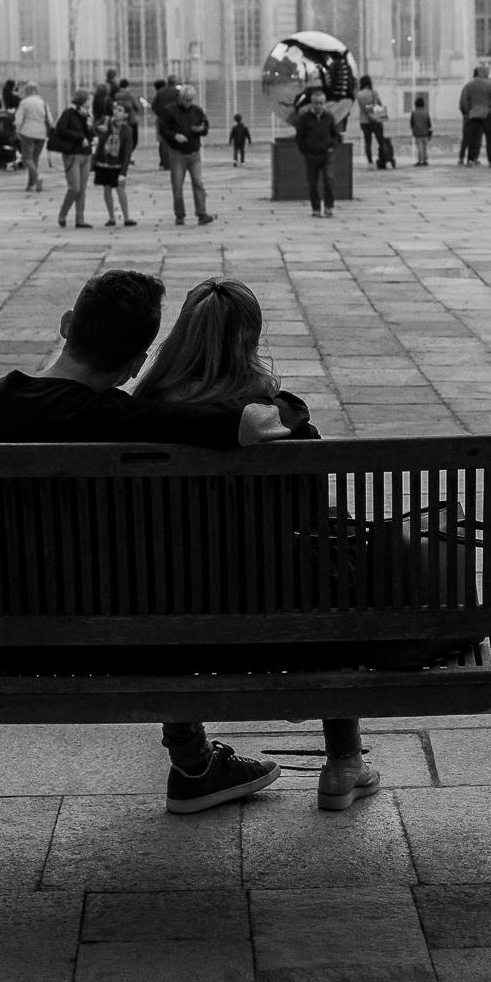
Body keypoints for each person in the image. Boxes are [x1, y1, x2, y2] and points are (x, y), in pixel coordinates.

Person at [0, 271, 306, 816]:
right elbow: (246, 420)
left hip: (3, 640)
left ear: (69, 325)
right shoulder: (114, 419)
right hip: (120, 639)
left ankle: (196, 763)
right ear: (137, 361)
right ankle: (198, 762)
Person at [130, 277, 381, 812]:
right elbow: (308, 513)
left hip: (166, 629)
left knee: (168, 573)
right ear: (249, 339)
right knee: (329, 551)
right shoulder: (273, 418)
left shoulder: (141, 413)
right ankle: (342, 762)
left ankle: (190, 759)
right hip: (279, 625)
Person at [160, 84, 215, 226]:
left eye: (191, 100)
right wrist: (174, 136)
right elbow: (163, 129)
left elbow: (205, 126)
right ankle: (180, 215)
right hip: (177, 153)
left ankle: (202, 213)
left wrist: (202, 129)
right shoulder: (170, 110)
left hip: (194, 152)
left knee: (199, 183)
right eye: (187, 100)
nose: (189, 103)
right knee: (177, 186)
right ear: (180, 98)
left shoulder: (197, 111)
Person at [292, 86, 341, 218]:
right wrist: (305, 151)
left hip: (326, 154)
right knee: (312, 183)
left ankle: (329, 207)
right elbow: (299, 136)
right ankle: (316, 208)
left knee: (329, 179)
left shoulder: (329, 117)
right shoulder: (305, 118)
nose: (318, 105)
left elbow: (335, 135)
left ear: (324, 103)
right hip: (311, 155)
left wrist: (332, 147)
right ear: (311, 103)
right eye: (316, 103)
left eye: (321, 103)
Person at [50, 90, 97, 228]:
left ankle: (80, 219)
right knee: (74, 188)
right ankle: (63, 214)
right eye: (88, 100)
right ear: (81, 101)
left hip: (86, 154)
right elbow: (61, 130)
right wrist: (80, 137)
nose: (89, 103)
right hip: (72, 154)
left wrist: (91, 128)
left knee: (82, 189)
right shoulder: (68, 114)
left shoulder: (86, 116)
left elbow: (89, 134)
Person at [94, 102, 138, 226]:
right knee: (107, 189)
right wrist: (98, 128)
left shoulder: (127, 130)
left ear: (125, 114)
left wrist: (123, 172)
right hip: (103, 162)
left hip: (117, 164)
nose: (116, 112)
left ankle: (127, 217)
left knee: (120, 190)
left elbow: (127, 152)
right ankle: (111, 217)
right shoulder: (106, 120)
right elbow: (95, 126)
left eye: (120, 110)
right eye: (115, 109)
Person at [457, 66, 491, 166]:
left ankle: (470, 159)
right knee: (489, 139)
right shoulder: (490, 84)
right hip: (486, 114)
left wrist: (468, 112)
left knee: (472, 138)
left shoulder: (469, 85)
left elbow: (464, 101)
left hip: (473, 114)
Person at [15, 80, 49, 192]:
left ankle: (37, 177)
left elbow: (19, 119)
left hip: (27, 132)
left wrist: (17, 130)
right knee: (34, 160)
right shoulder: (43, 102)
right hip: (41, 133)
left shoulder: (24, 102)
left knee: (26, 158)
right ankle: (30, 184)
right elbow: (49, 119)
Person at [355, 75, 390, 169]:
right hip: (376, 120)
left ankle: (370, 163)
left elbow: (362, 107)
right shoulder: (374, 93)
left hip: (364, 121)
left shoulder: (359, 94)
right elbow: (379, 104)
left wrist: (368, 113)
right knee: (381, 141)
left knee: (368, 142)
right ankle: (386, 161)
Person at [409, 92, 433, 166]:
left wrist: (413, 129)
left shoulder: (414, 112)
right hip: (425, 132)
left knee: (419, 148)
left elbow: (411, 122)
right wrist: (429, 131)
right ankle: (425, 160)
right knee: (425, 147)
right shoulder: (426, 112)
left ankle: (420, 160)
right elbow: (429, 123)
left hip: (417, 133)